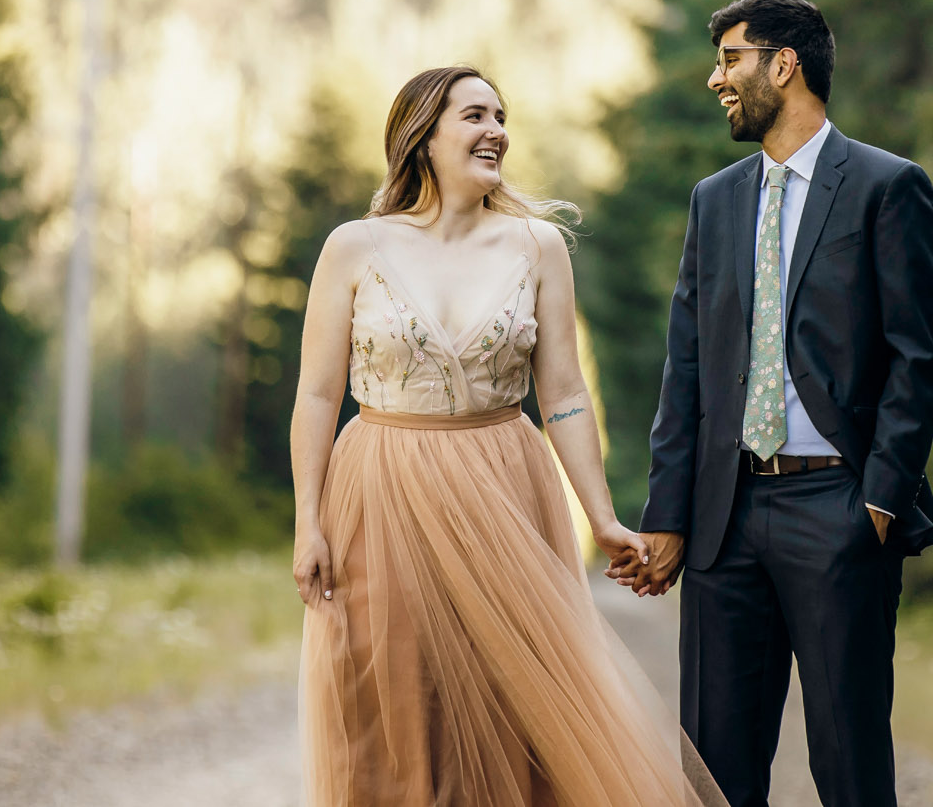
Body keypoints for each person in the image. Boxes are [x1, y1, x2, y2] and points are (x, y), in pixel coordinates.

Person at [289, 65, 724, 807]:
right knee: (384, 691)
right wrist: (307, 520)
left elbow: (564, 396)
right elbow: (319, 393)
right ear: (422, 136)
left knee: (514, 697)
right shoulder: (354, 247)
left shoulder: (537, 245)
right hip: (378, 488)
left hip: (504, 482)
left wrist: (601, 514)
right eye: (474, 116)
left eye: (501, 116)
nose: (496, 131)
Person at [613, 0, 933, 807]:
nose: (715, 78)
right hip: (726, 522)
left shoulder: (886, 186)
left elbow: (918, 358)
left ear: (784, 64)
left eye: (730, 59)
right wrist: (670, 512)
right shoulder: (714, 199)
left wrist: (876, 500)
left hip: (838, 507)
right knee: (714, 772)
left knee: (849, 766)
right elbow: (685, 368)